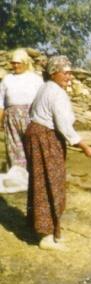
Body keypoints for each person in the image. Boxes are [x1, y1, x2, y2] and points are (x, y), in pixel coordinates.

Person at [24, 55, 91, 251]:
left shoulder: (45, 88)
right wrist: (85, 147)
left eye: (70, 73)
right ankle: (47, 237)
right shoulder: (56, 93)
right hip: (45, 139)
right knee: (50, 183)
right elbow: (64, 126)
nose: (69, 77)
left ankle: (48, 231)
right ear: (53, 73)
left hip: (37, 135)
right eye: (66, 73)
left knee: (43, 181)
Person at [0, 48, 44, 190]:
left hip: (30, 116)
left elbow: (43, 99)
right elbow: (0, 102)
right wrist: (1, 120)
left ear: (25, 63)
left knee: (31, 146)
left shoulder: (35, 79)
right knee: (14, 147)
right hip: (11, 118)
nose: (16, 66)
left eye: (18, 63)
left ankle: (34, 177)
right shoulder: (7, 79)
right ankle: (18, 178)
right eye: (13, 63)